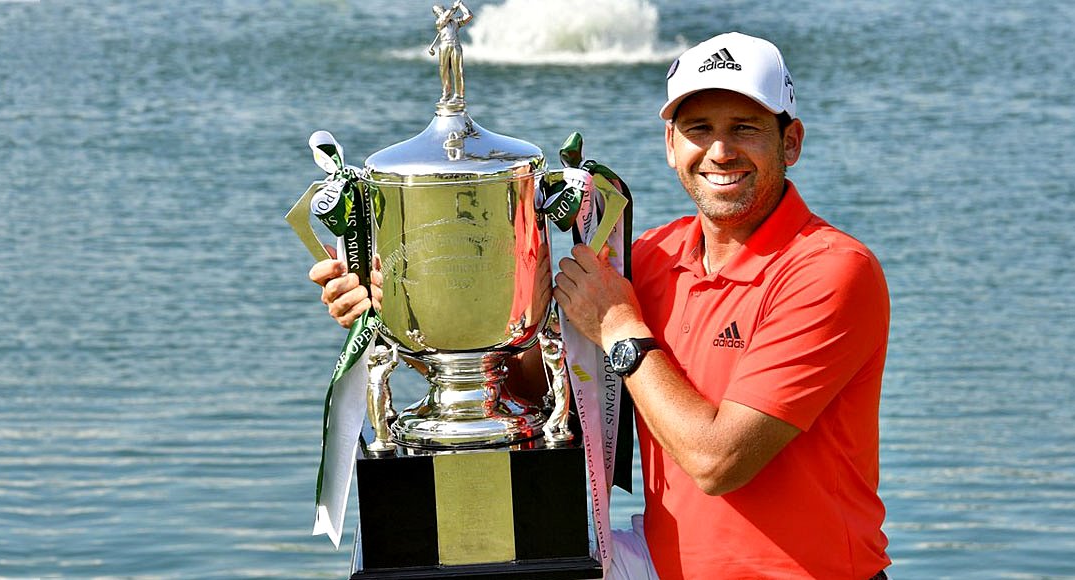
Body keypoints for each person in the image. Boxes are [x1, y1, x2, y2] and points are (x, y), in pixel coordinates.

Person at [313, 31, 890, 580]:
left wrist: (620, 328)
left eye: (746, 127)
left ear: (790, 142)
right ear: (671, 146)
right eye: (697, 128)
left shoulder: (830, 269)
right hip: (665, 564)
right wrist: (400, 318)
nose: (719, 150)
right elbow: (529, 395)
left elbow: (718, 461)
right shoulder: (650, 256)